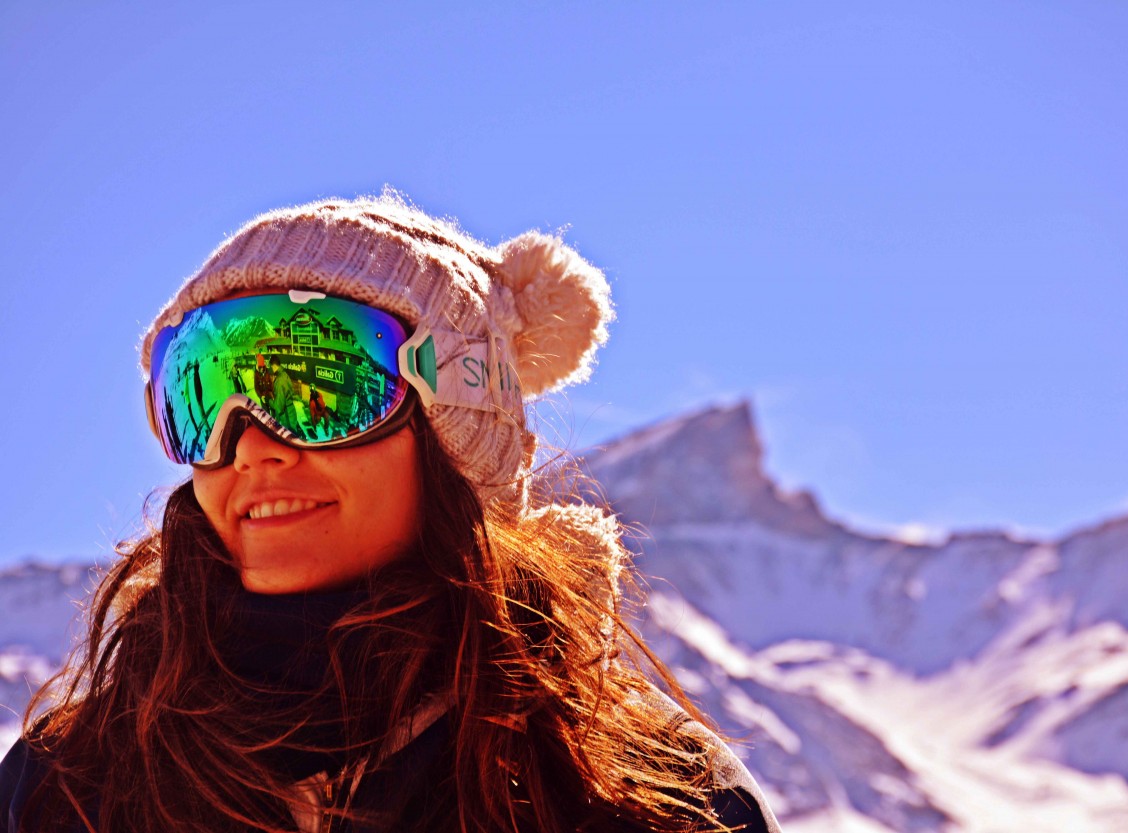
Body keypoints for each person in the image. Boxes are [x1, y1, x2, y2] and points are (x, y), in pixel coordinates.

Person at [0, 194, 782, 833]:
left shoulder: (650, 801)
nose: (248, 445)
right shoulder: (67, 786)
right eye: (203, 395)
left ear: (460, 432)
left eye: (321, 390)